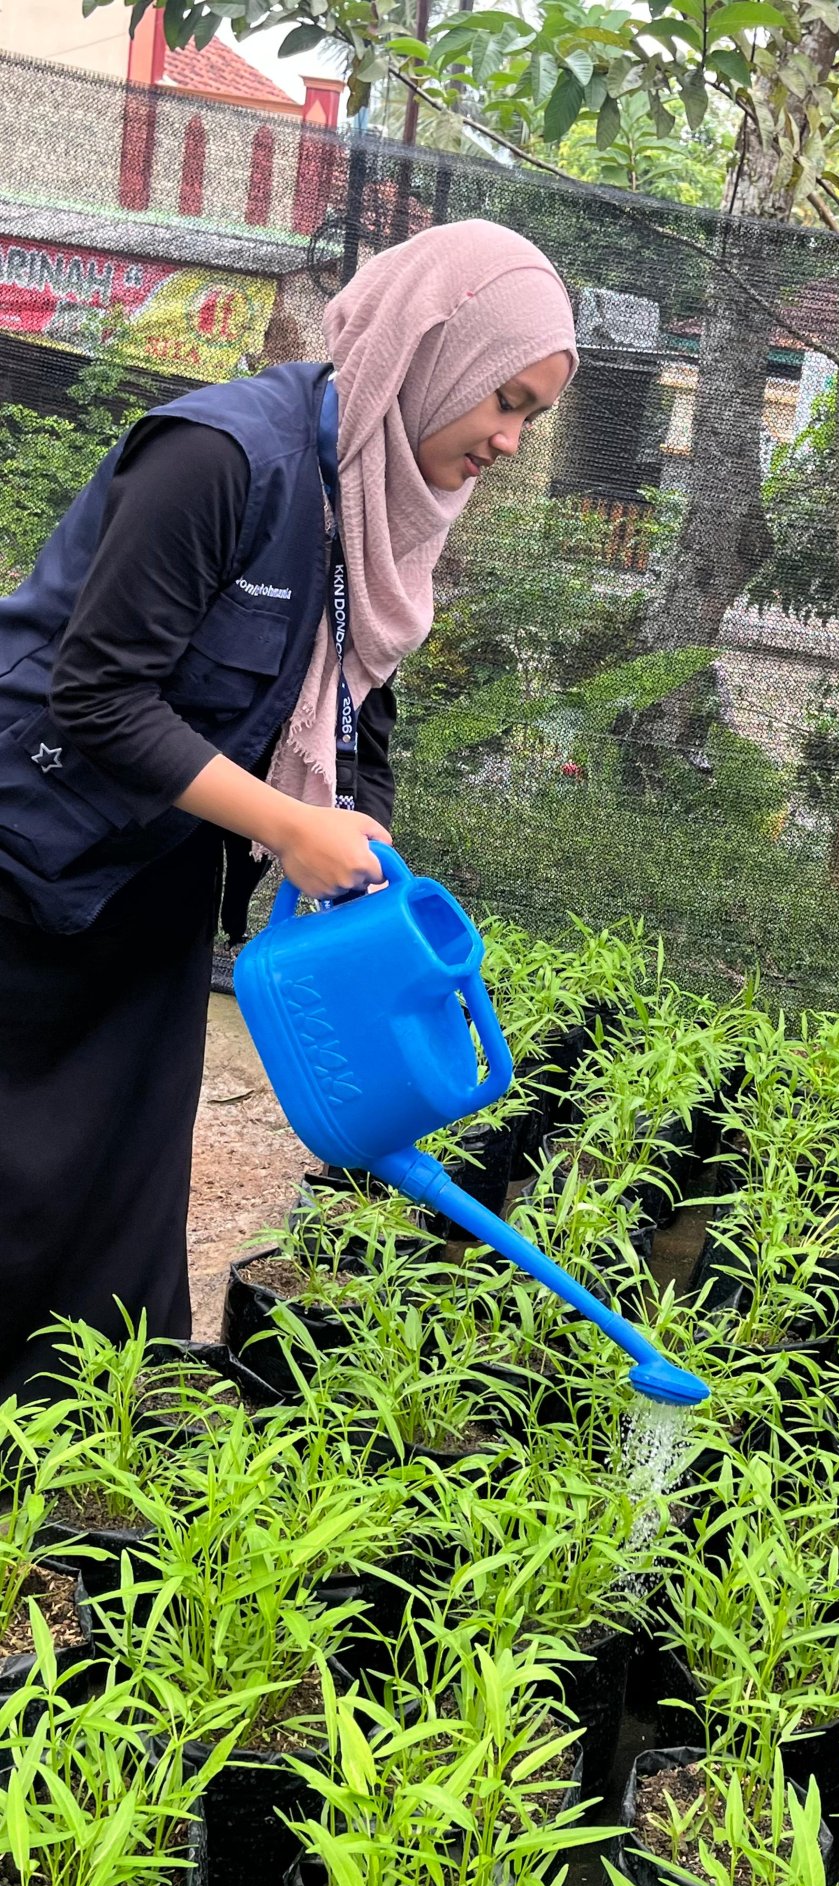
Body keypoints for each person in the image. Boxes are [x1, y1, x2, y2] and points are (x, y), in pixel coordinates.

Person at [0, 219, 577, 1399]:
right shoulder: (221, 457)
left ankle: (88, 1449)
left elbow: (359, 712)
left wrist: (361, 843)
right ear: (435, 352)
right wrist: (285, 823)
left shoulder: (374, 504)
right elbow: (101, 695)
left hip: (154, 872)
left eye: (532, 417)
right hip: (27, 849)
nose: (509, 440)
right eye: (503, 401)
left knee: (122, 1180)